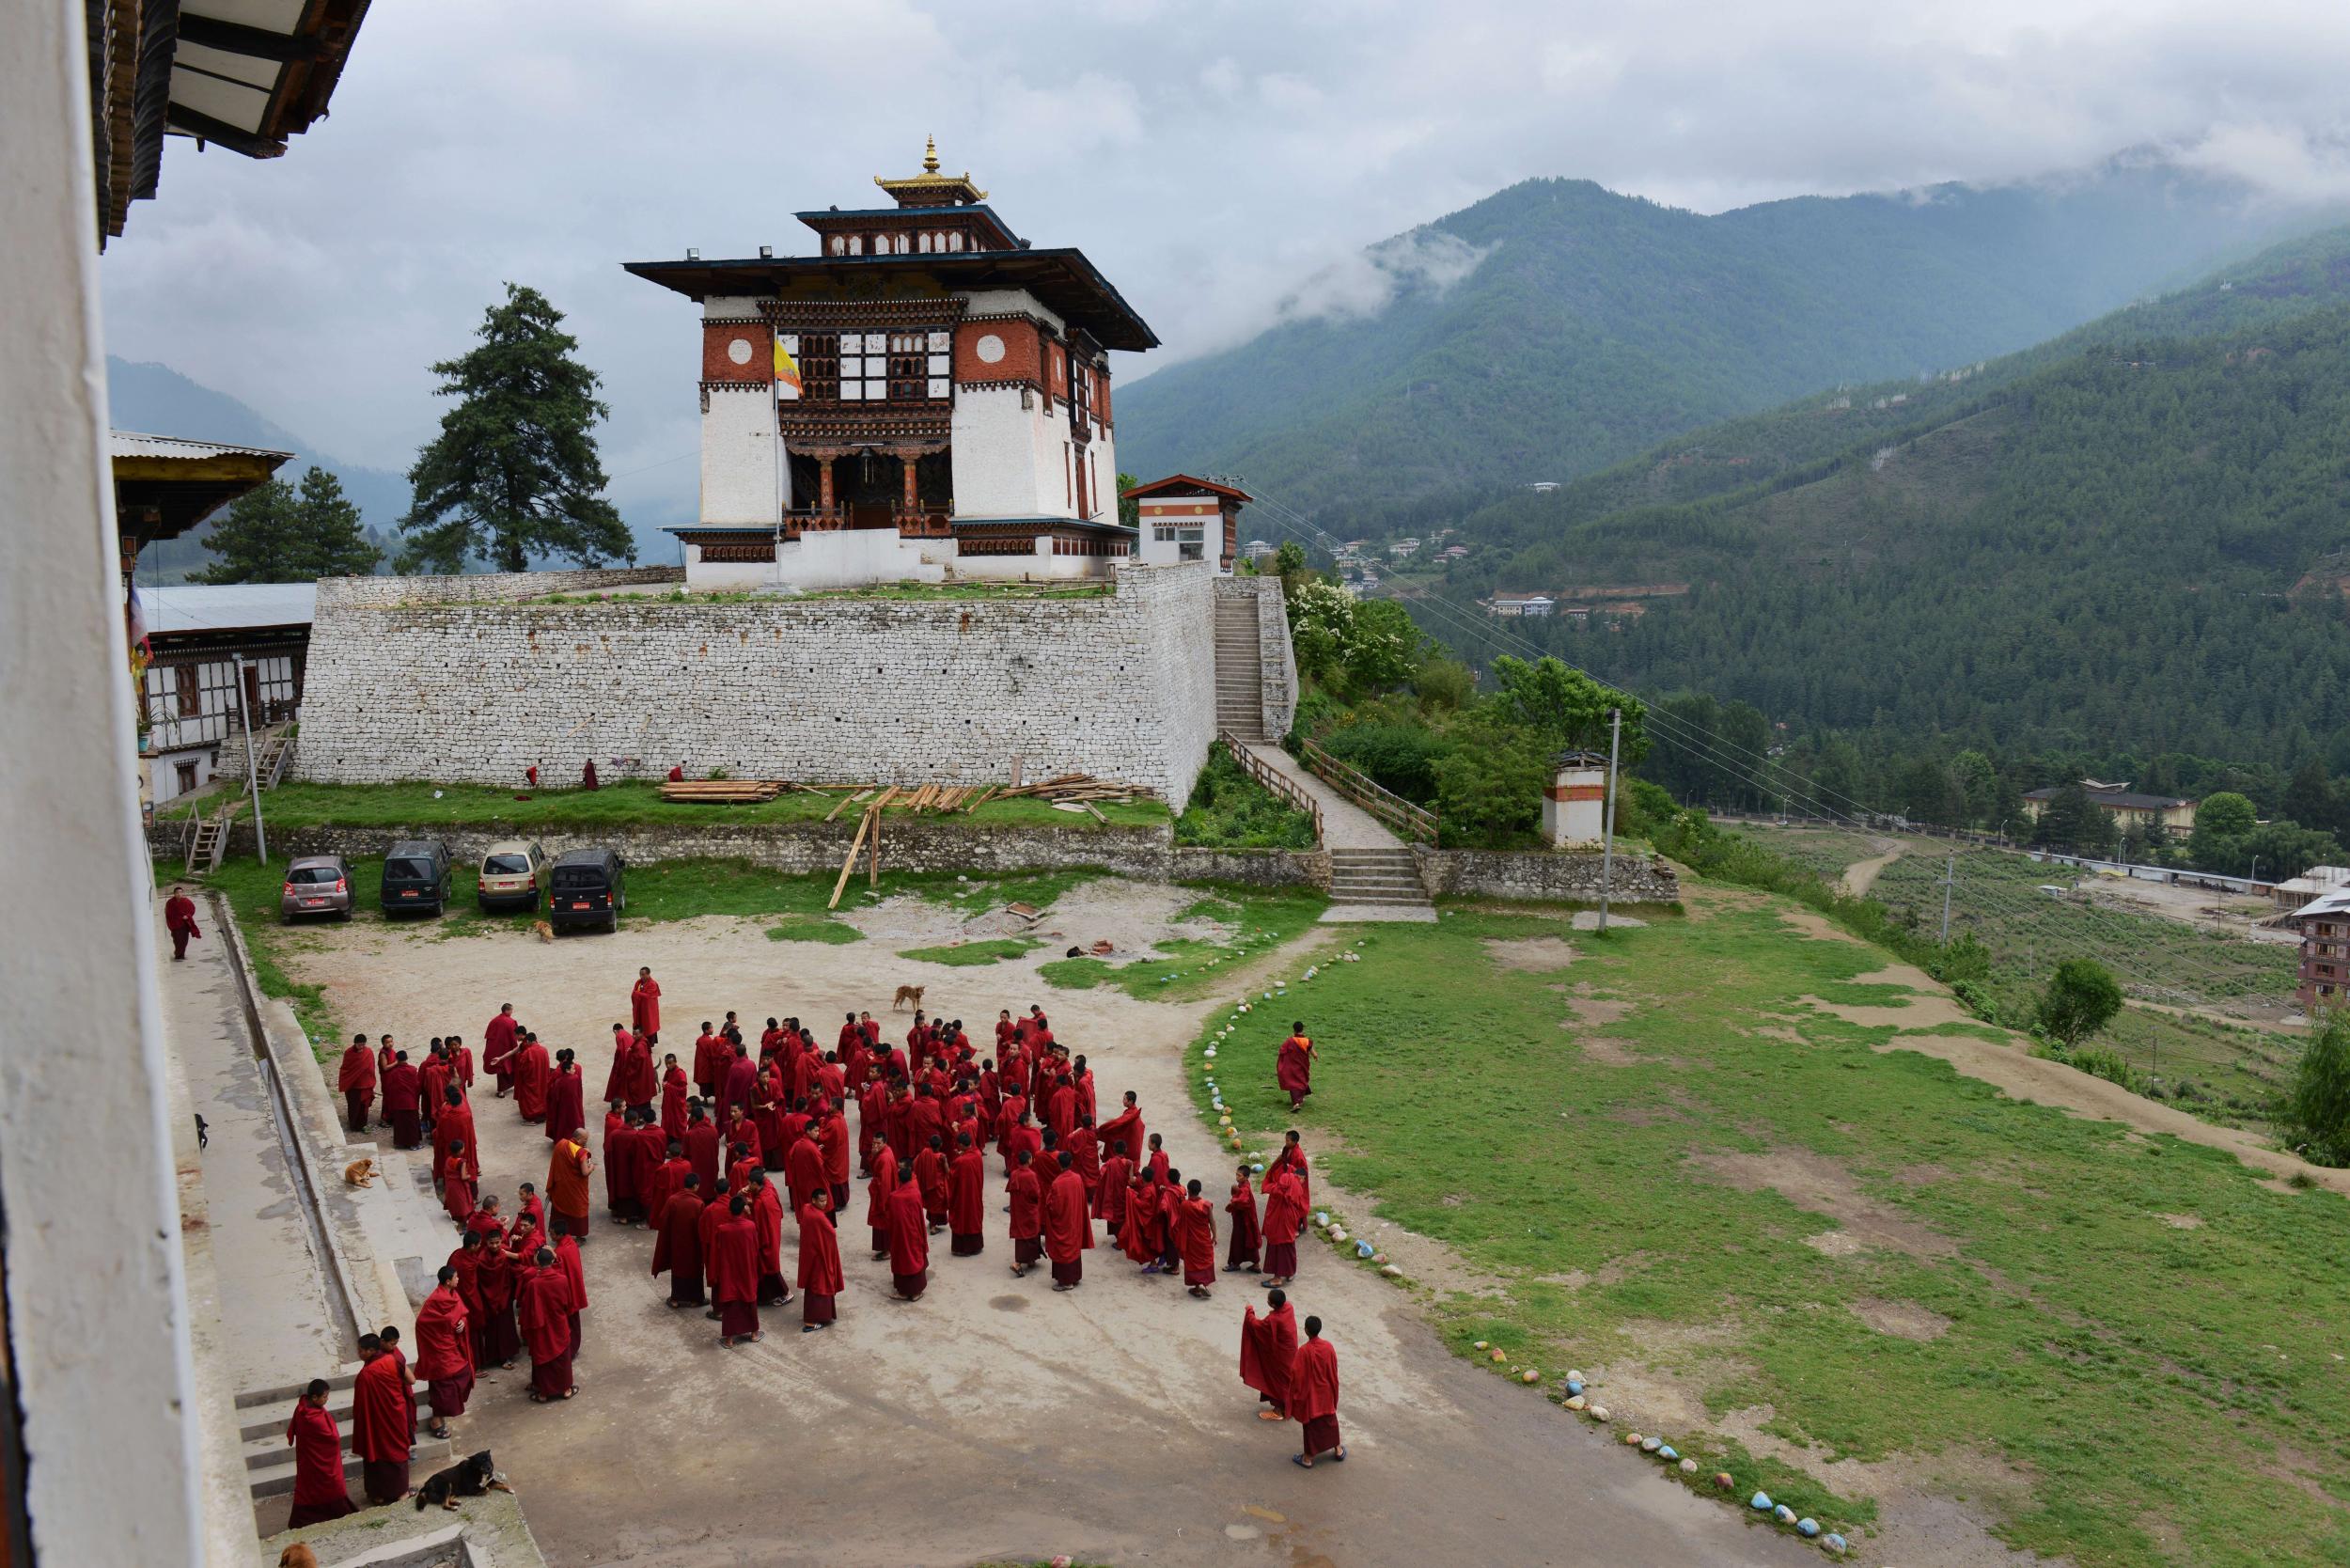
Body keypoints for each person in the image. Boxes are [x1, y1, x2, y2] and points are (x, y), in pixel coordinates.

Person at [284, 1378, 356, 1527]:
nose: (327, 1399)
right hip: (317, 1457)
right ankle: (340, 1512)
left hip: (307, 1457)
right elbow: (333, 1438)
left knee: (307, 1486)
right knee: (332, 1485)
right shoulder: (313, 1418)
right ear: (314, 1398)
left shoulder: (301, 1408)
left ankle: (301, 1520)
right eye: (324, 1397)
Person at [350, 1332, 413, 1503]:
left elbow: (361, 1404)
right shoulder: (393, 1359)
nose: (359, 1354)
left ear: (370, 1351)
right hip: (395, 1414)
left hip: (376, 1420)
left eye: (361, 1351)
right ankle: (402, 1492)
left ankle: (378, 1494)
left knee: (376, 1454)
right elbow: (410, 1380)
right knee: (396, 1451)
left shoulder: (367, 1375)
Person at [414, 1265, 474, 1438]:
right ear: (448, 1281)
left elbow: (461, 1313)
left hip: (451, 1344)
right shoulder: (435, 1300)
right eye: (456, 1277)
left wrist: (462, 1321)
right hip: (438, 1348)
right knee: (444, 1381)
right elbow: (422, 1323)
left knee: (463, 1374)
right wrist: (443, 1332)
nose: (458, 1279)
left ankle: (438, 1409)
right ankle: (436, 1420)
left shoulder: (453, 1294)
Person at [518, 1247, 575, 1402]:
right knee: (562, 1357)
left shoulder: (533, 1284)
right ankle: (566, 1389)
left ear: (537, 1262)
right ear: (551, 1261)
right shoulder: (562, 1279)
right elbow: (567, 1302)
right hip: (559, 1323)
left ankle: (544, 1393)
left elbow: (526, 1308)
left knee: (543, 1357)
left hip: (541, 1327)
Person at [1291, 1316, 1344, 1467]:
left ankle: (1307, 1458)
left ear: (1306, 1330)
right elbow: (1333, 1368)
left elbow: (1296, 1374)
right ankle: (1338, 1450)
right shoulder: (1328, 1346)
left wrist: (1295, 1394)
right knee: (1330, 1420)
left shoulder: (1304, 1351)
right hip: (1326, 1392)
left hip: (1312, 1395)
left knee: (1311, 1426)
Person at [710, 1195, 761, 1346]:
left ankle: (729, 1339)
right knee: (749, 1299)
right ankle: (753, 1334)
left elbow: (716, 1252)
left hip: (729, 1271)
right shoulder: (750, 1226)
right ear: (743, 1209)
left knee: (731, 1302)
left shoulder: (722, 1230)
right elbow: (755, 1247)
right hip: (746, 1269)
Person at [1240, 1288, 1298, 1421]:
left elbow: (1256, 1326)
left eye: (1268, 1300)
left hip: (1280, 1356)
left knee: (1277, 1382)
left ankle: (1278, 1411)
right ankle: (1287, 1407)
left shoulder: (1274, 1319)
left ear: (1272, 1305)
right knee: (1287, 1380)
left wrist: (1249, 1311)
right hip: (1290, 1352)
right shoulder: (1289, 1307)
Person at [652, 1172, 707, 1307]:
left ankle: (675, 1299)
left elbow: (663, 1220)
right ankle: (695, 1300)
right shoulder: (698, 1203)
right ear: (695, 1186)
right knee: (694, 1269)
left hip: (676, 1242)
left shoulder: (672, 1200)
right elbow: (702, 1227)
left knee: (678, 1269)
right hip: (693, 1244)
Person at [1043, 1151, 1093, 1293]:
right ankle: (1075, 1276)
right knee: (1073, 1247)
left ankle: (1066, 1282)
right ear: (1071, 1163)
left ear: (1059, 1164)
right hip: (1075, 1218)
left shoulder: (1057, 1183)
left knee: (1063, 1249)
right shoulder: (1077, 1178)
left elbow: (1053, 1207)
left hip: (1063, 1221)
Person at [796, 1188, 844, 1332]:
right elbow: (831, 1234)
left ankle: (816, 1317)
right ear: (814, 1200)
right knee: (820, 1287)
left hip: (810, 1255)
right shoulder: (819, 1218)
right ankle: (811, 1322)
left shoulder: (806, 1209)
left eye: (825, 1200)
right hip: (819, 1257)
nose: (824, 1204)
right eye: (821, 1201)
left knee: (813, 1287)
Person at [886, 1168, 930, 1300]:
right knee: (915, 1257)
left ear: (898, 1179)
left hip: (900, 1234)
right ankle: (916, 1292)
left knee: (903, 1259)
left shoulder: (894, 1197)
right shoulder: (916, 1193)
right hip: (914, 1232)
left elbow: (890, 1217)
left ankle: (903, 1292)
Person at [1261, 1163, 1306, 1288]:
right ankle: (1290, 1272)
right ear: (1301, 1178)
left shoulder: (1280, 1185)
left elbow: (1267, 1187)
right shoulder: (1296, 1185)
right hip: (1289, 1219)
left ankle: (1277, 1278)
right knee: (1289, 1245)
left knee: (1278, 1247)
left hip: (1279, 1219)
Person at [547, 1127, 594, 1242]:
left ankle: (559, 1233)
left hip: (561, 1185)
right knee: (578, 1208)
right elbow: (585, 1172)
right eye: (585, 1139)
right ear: (578, 1139)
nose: (586, 1141)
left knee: (561, 1207)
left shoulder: (561, 1144)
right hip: (576, 1188)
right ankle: (579, 1236)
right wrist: (592, 1167)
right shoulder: (581, 1152)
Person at [1179, 1178, 1218, 1298]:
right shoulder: (1206, 1205)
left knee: (1193, 1262)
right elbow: (1212, 1222)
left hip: (1192, 1239)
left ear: (1189, 1191)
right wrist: (1214, 1236)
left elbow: (1181, 1221)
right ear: (1200, 1190)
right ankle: (1204, 1283)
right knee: (1205, 1260)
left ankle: (1196, 1288)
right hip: (1204, 1238)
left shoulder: (1185, 1205)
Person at [947, 1134, 986, 1256]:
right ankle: (976, 1246)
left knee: (963, 1217)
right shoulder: (977, 1154)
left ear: (962, 1145)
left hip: (962, 1195)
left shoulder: (960, 1161)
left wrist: (945, 1164)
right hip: (974, 1192)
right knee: (974, 1216)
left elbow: (951, 1177)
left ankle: (963, 1249)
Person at [381, 1050, 422, 1150]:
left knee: (400, 1123)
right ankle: (413, 1144)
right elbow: (417, 1085)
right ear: (406, 1058)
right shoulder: (412, 1070)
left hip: (398, 1102)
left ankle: (400, 1143)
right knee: (412, 1123)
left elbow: (390, 1088)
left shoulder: (393, 1073)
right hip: (411, 1101)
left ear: (397, 1060)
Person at [1227, 1164, 1263, 1273]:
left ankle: (1236, 1263)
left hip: (1245, 1219)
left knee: (1239, 1240)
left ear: (1246, 1178)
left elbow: (1243, 1201)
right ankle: (1255, 1264)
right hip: (1244, 1218)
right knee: (1249, 1239)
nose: (1237, 1177)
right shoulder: (1242, 1185)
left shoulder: (1245, 1188)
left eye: (1239, 1176)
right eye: (1236, 1175)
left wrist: (1233, 1201)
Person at [337, 1032, 377, 1133]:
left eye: (363, 1044)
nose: (361, 1047)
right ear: (355, 1043)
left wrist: (369, 1079)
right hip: (354, 1085)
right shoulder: (349, 1053)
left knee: (364, 1106)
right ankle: (353, 1125)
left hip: (365, 1084)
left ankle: (362, 1124)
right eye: (359, 1044)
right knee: (354, 1105)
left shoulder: (368, 1052)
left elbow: (371, 1067)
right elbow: (346, 1068)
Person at [545, 1049, 586, 1145]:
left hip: (562, 1105)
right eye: (573, 1069)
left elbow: (553, 1092)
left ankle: (562, 1141)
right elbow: (579, 1088)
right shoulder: (576, 1073)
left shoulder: (558, 1077)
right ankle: (578, 1139)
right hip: (575, 1102)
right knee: (575, 1120)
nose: (574, 1070)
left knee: (562, 1123)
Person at [1277, 1023, 1319, 1112]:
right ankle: (1300, 1098)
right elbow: (1314, 1053)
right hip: (1303, 1066)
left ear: (1294, 1030)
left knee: (1294, 1083)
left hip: (1292, 1067)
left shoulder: (1290, 1041)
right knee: (1301, 1080)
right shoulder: (1307, 1041)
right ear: (1302, 1029)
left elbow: (1281, 1051)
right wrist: (1315, 1057)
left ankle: (1296, 1103)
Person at [512, 1030, 552, 1122]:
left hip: (531, 1079)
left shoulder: (527, 1053)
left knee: (530, 1097)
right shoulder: (544, 1049)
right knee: (542, 1094)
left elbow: (522, 1068)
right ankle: (543, 1112)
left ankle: (531, 1116)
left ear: (529, 1042)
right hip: (542, 1077)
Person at [483, 1003, 520, 1098]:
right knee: (508, 1067)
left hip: (496, 1049)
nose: (512, 1012)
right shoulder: (511, 1022)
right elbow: (514, 1037)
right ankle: (502, 1090)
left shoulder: (493, 1021)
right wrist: (516, 1049)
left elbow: (489, 1037)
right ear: (507, 1011)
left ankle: (501, 1091)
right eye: (511, 1010)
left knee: (500, 1069)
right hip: (507, 1048)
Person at [163, 884, 202, 960]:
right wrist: (172, 922)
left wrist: (187, 916)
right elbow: (168, 914)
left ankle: (181, 955)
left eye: (181, 892)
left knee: (184, 941)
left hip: (184, 924)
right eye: (177, 893)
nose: (179, 894)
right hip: (175, 925)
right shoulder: (170, 902)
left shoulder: (187, 901)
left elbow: (192, 910)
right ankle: (178, 955)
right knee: (177, 941)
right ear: (174, 894)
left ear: (183, 893)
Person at [441, 1139, 476, 1225]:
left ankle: (458, 1221)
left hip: (450, 1185)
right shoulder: (462, 1162)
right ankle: (462, 1225)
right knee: (463, 1204)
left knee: (455, 1202)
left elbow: (447, 1171)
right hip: (459, 1186)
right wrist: (469, 1176)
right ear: (460, 1150)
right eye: (463, 1147)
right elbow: (463, 1177)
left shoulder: (449, 1159)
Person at [632, 966, 662, 1037]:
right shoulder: (638, 982)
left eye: (643, 974)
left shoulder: (653, 984)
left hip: (649, 1010)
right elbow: (634, 992)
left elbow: (648, 996)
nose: (641, 976)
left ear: (648, 974)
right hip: (639, 1008)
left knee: (649, 1025)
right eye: (640, 974)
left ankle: (649, 1044)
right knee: (639, 1023)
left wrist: (637, 993)